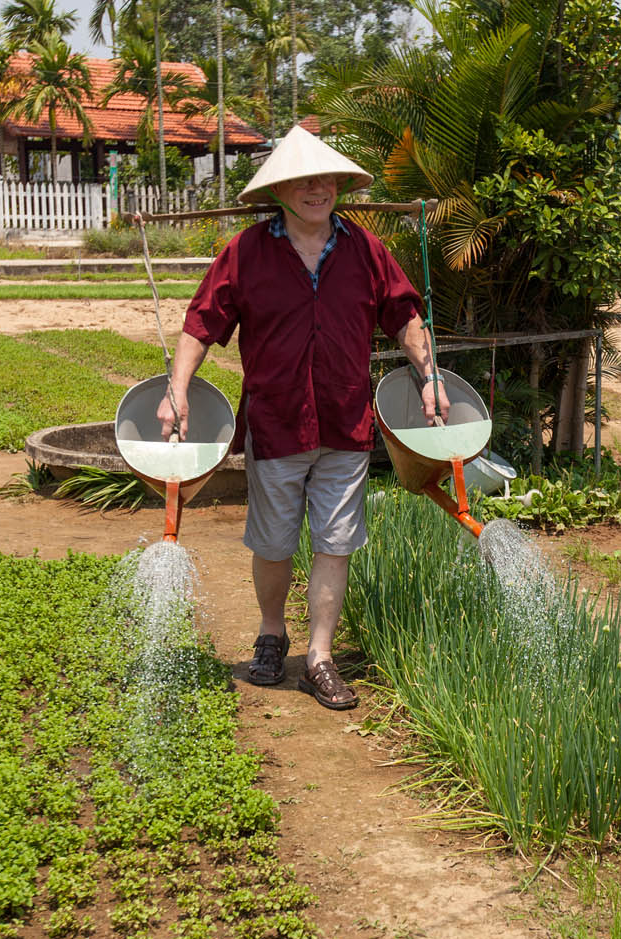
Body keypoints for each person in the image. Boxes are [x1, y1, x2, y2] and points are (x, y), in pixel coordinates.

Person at [162, 126, 448, 711]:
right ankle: (272, 633)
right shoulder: (245, 253)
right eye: (303, 180)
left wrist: (430, 375)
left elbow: (405, 316)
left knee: (336, 544)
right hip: (277, 422)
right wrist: (177, 388)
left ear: (340, 186)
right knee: (272, 543)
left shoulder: (365, 250)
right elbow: (201, 323)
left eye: (327, 179)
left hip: (345, 421)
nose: (318, 189)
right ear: (281, 190)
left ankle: (319, 657)